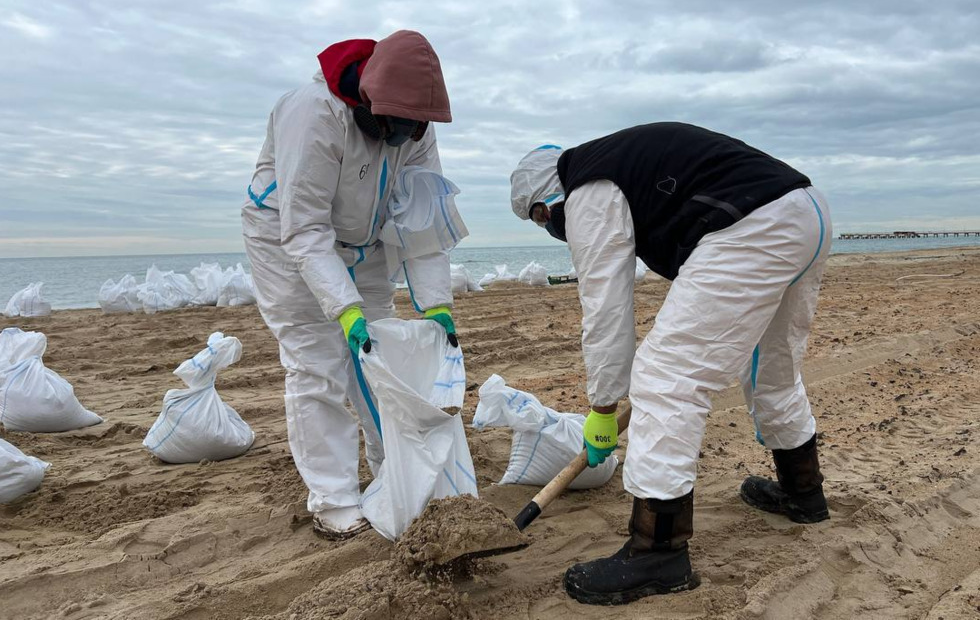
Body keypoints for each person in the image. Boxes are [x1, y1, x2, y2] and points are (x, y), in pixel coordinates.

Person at [509, 122, 832, 605]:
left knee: (665, 377)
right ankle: (803, 492)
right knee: (772, 370)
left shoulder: (586, 189)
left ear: (544, 204)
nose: (552, 228)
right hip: (805, 212)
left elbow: (605, 304)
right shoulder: (615, 164)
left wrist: (601, 407)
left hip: (755, 224)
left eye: (542, 221)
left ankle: (657, 550)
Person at [242, 30, 458, 540]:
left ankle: (394, 475)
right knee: (317, 363)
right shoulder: (312, 113)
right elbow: (306, 230)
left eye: (413, 129)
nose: (402, 137)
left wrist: (437, 306)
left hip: (365, 244)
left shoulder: (417, 130)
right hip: (286, 236)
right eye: (394, 126)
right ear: (368, 98)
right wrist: (343, 308)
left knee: (377, 352)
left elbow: (422, 224)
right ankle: (334, 497)